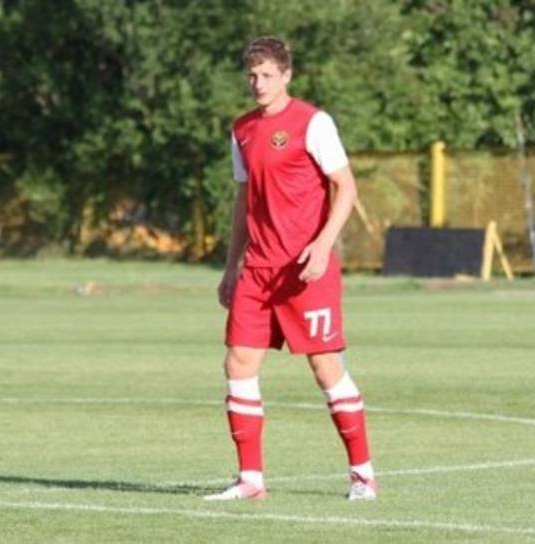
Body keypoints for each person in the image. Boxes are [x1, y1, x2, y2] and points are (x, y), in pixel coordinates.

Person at [204, 36, 377, 501]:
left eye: (267, 74)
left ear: (286, 75)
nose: (258, 83)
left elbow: (346, 187)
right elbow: (244, 201)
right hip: (258, 270)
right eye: (252, 75)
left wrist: (322, 245)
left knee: (324, 368)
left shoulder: (313, 123)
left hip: (305, 270)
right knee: (238, 362)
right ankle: (251, 480)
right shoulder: (242, 129)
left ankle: (362, 475)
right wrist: (231, 266)